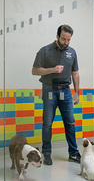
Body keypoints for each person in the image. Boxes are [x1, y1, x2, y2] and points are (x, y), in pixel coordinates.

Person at [32, 24, 81, 165]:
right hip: (49, 90)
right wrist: (52, 70)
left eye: (68, 40)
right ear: (57, 36)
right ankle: (46, 153)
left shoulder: (72, 52)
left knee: (70, 122)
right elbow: (34, 70)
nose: (66, 42)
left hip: (66, 91)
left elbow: (75, 73)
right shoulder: (45, 51)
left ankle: (73, 153)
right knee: (47, 123)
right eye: (63, 39)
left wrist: (76, 93)